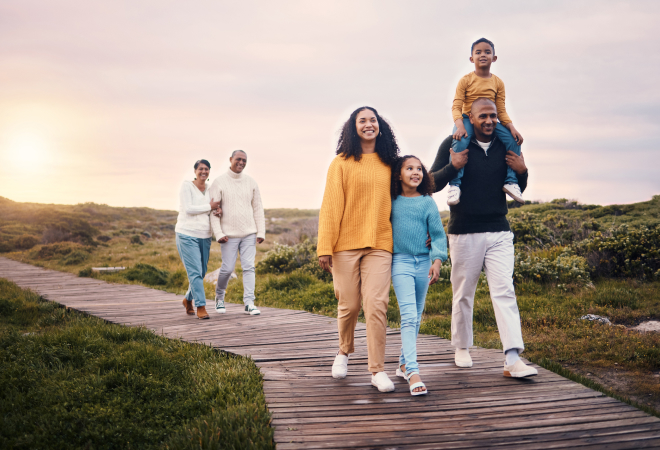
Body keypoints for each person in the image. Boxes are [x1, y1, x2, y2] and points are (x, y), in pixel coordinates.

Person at [430, 98, 538, 378]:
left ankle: (512, 358)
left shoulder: (506, 142)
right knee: (463, 293)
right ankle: (462, 347)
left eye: (493, 116)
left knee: (504, 291)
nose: (489, 121)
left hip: (499, 229)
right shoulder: (454, 142)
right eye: (483, 116)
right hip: (464, 231)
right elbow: (431, 183)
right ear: (471, 117)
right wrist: (452, 166)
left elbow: (516, 186)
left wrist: (523, 171)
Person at [318, 106, 399, 393]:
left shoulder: (391, 163)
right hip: (344, 245)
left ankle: (377, 370)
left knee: (376, 306)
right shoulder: (340, 163)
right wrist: (324, 247)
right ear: (353, 127)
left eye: (373, 120)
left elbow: (412, 195)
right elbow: (330, 207)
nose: (368, 124)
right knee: (349, 304)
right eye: (362, 121)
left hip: (380, 243)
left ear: (380, 126)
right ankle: (343, 351)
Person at [390, 155, 447, 396]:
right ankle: (413, 372)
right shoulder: (390, 201)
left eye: (419, 169)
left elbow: (438, 234)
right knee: (409, 315)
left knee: (417, 315)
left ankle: (403, 363)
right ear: (398, 174)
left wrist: (437, 260)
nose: (416, 172)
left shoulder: (427, 202)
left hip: (423, 262)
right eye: (409, 168)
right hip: (400, 261)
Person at [447, 37, 525, 207]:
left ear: (494, 58)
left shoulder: (498, 83)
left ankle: (510, 181)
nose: (483, 55)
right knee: (460, 141)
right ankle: (455, 185)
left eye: (487, 52)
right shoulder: (465, 80)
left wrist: (512, 127)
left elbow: (501, 110)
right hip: (468, 119)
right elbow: (456, 106)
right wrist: (460, 125)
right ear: (471, 58)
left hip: (490, 120)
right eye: (478, 52)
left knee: (514, 141)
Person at [209, 150, 266, 316]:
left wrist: (260, 231)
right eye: (238, 159)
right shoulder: (219, 182)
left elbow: (258, 208)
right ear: (230, 160)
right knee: (227, 269)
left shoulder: (251, 182)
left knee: (249, 267)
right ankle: (219, 298)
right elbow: (213, 212)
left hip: (249, 234)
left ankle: (249, 303)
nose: (241, 162)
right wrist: (218, 233)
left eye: (244, 160)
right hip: (228, 236)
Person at [175, 159, 221, 320]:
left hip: (205, 235)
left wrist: (218, 210)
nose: (204, 171)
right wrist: (210, 207)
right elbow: (188, 209)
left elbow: (215, 208)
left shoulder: (210, 189)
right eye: (201, 168)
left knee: (200, 272)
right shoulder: (186, 186)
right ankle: (200, 306)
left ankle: (187, 299)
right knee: (194, 272)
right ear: (195, 171)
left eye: (207, 169)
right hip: (187, 234)